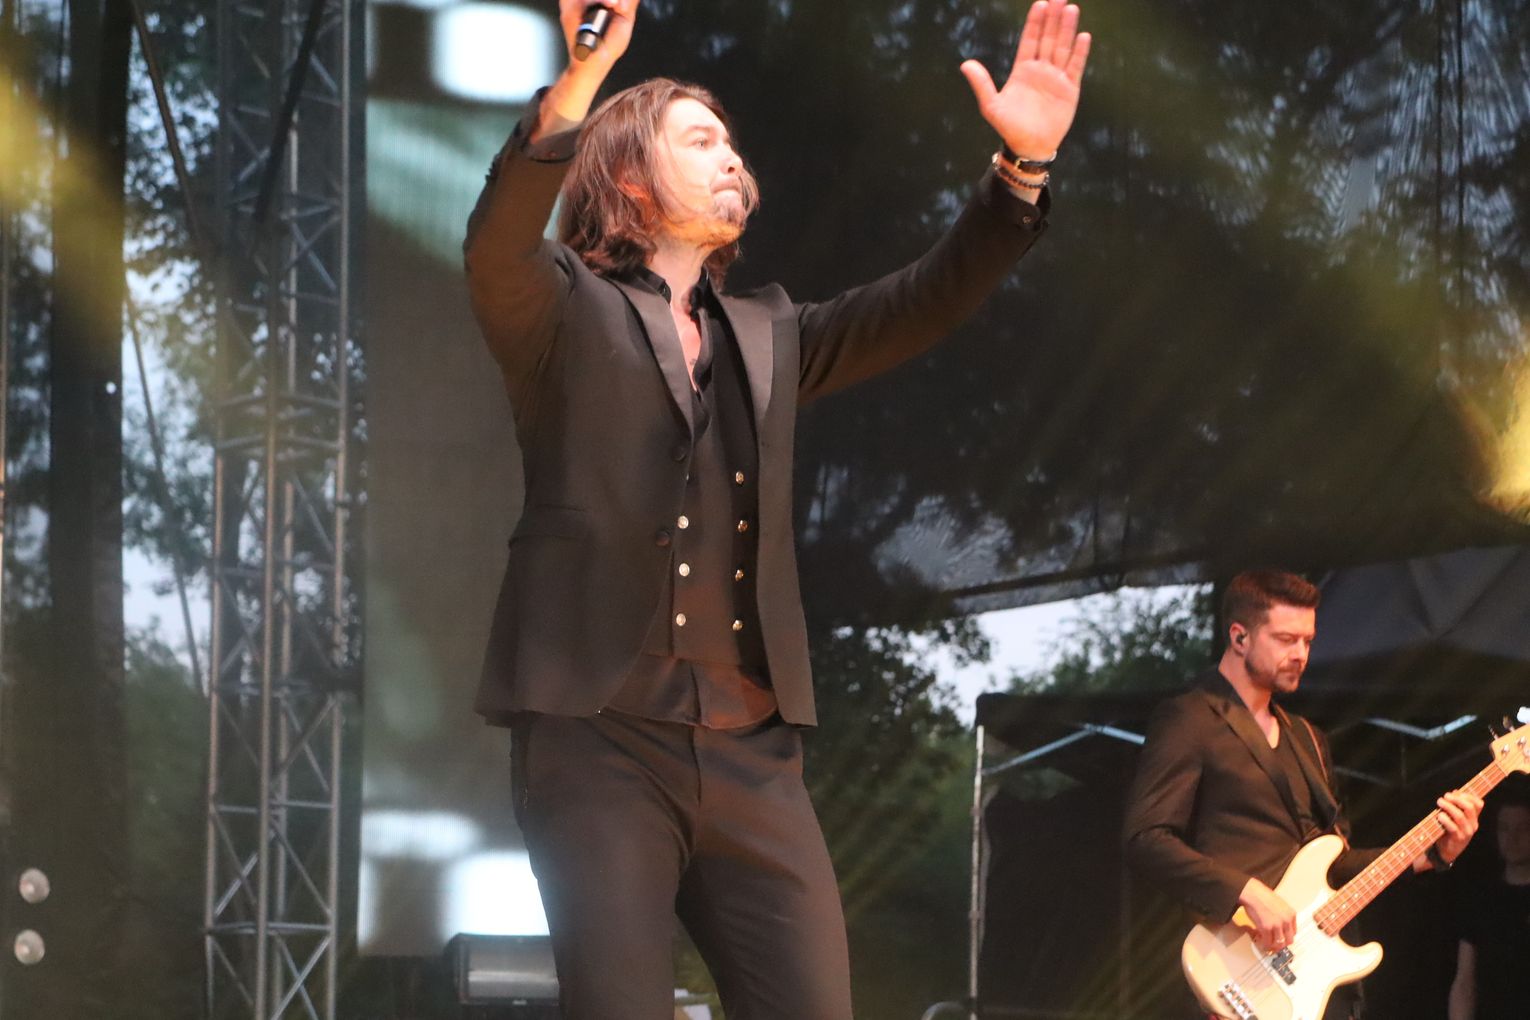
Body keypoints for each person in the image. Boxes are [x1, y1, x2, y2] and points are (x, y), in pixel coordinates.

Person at [460, 1, 1091, 1016]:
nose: (731, 158)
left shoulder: (768, 331)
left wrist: (1020, 171)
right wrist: (578, 87)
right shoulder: (563, 308)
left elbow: (921, 299)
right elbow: (496, 245)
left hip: (752, 745)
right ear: (630, 178)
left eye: (731, 144)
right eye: (699, 140)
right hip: (599, 734)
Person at [1122, 569, 1484, 1020]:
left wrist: (1432, 854)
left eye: (1308, 641)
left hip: (1311, 978)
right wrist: (1245, 892)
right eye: (1286, 639)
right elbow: (1146, 837)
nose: (1300, 654)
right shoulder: (1190, 719)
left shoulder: (1308, 739)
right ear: (1239, 637)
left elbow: (1336, 862)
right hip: (1236, 972)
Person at [1447, 783, 1530, 1020]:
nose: (1512, 838)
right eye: (1504, 828)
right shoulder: (1480, 897)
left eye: (1522, 829)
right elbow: (1465, 979)